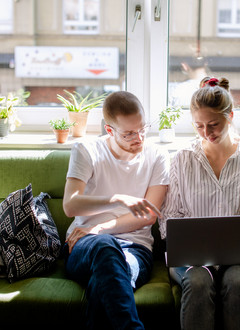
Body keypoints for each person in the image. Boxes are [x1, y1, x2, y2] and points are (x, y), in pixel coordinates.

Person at [159, 77, 240, 330]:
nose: (206, 132)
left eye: (213, 124)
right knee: (198, 281)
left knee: (238, 282)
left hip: (239, 255)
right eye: (198, 125)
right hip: (191, 257)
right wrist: (190, 249)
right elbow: (169, 218)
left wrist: (237, 248)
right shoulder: (182, 158)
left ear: (230, 116)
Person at [63, 91, 169, 330]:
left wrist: (99, 227)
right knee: (104, 246)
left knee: (103, 283)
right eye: (129, 133)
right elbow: (70, 204)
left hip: (135, 249)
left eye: (143, 129)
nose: (139, 138)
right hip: (86, 246)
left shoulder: (157, 156)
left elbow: (149, 215)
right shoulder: (87, 150)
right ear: (110, 131)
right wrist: (118, 199)